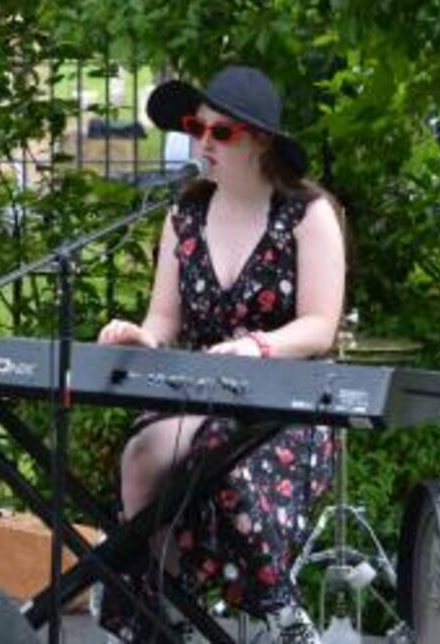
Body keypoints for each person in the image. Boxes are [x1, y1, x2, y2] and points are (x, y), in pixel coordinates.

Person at [95, 66, 344, 644]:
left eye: (220, 133)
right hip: (200, 394)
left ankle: (279, 614)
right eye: (194, 128)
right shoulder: (182, 217)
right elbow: (163, 320)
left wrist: (258, 346)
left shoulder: (308, 216)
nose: (202, 143)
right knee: (140, 458)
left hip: (285, 407)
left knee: (223, 457)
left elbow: (320, 327)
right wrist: (143, 338)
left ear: (259, 139)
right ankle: (163, 615)